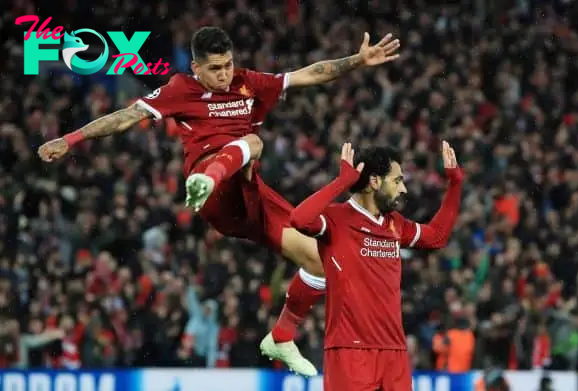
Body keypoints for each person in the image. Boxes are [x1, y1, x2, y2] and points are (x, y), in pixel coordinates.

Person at [36, 26, 400, 376]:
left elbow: (308, 75)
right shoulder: (180, 88)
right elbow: (126, 117)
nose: (225, 74)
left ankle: (282, 337)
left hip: (250, 193)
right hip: (215, 187)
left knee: (322, 261)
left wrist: (357, 59)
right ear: (196, 68)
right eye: (215, 68)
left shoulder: (245, 81)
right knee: (254, 144)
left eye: (227, 64)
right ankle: (205, 182)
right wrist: (70, 139)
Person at [289, 142, 464, 390]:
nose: (403, 189)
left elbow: (437, 236)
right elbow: (298, 218)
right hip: (350, 350)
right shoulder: (337, 219)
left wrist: (455, 183)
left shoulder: (396, 224)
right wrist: (341, 183)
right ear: (374, 182)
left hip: (394, 352)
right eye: (397, 181)